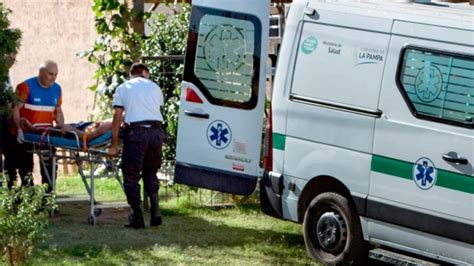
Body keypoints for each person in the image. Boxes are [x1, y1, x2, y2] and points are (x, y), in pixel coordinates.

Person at [108, 62, 165, 229]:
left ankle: (137, 217)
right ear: (145, 73)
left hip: (137, 133)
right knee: (151, 172)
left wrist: (113, 145)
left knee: (131, 176)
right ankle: (155, 211)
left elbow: (117, 117)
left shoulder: (123, 87)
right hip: (156, 133)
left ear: (131, 74)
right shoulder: (155, 87)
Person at [9, 60, 66, 192]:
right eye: (50, 74)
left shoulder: (57, 89)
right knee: (26, 168)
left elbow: (58, 110)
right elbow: (15, 108)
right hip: (26, 134)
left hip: (45, 134)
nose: (53, 78)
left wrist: (61, 126)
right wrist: (18, 129)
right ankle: (28, 195)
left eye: (56, 74)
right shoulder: (26, 87)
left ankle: (48, 197)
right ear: (41, 73)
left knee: (50, 165)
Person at [0, 52, 17, 188]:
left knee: (10, 154)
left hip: (6, 118)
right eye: (10, 57)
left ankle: (11, 186)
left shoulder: (7, 75)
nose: (12, 61)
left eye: (14, 58)